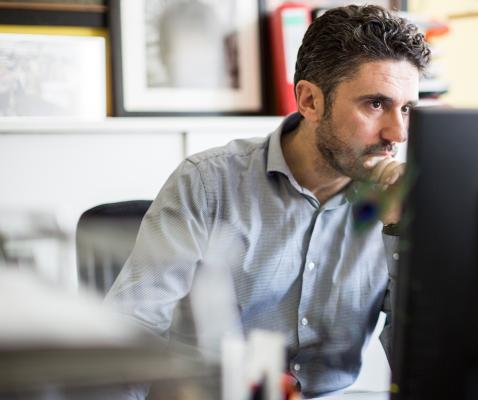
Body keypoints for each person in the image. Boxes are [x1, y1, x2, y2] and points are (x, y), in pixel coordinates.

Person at [106, 4, 430, 397]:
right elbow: (129, 339)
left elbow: (424, 366)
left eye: (408, 108)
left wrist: (397, 228)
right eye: (375, 104)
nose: (398, 133)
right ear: (310, 101)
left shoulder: (402, 201)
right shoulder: (208, 185)